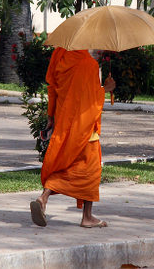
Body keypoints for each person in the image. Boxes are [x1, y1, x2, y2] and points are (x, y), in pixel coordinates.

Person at [30, 47, 115, 228]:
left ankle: (43, 197)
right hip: (84, 127)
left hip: (63, 121)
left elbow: (52, 89)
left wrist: (51, 117)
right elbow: (89, 99)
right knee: (91, 170)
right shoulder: (88, 64)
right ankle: (87, 217)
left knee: (68, 165)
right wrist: (106, 89)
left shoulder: (59, 57)